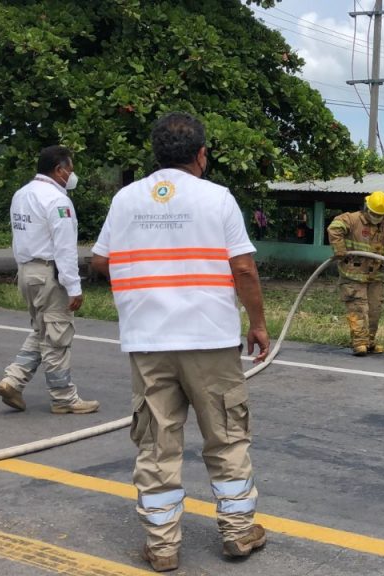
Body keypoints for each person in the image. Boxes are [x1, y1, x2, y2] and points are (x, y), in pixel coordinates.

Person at [91, 112, 270, 572]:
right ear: (201, 155)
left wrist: (148, 285)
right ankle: (237, 533)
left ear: (156, 155)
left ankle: (162, 546)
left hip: (148, 342)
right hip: (209, 340)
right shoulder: (218, 199)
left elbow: (99, 262)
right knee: (227, 437)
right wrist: (258, 324)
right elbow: (244, 268)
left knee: (156, 444)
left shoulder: (126, 199)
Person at [0, 146, 99, 415]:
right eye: (70, 170)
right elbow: (64, 248)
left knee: (43, 330)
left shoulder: (22, 194)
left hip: (27, 272)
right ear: (59, 170)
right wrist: (73, 287)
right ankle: (64, 398)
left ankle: (13, 380)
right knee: (57, 338)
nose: (71, 175)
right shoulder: (57, 201)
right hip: (49, 275)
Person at [326, 190, 384, 356]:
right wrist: (339, 249)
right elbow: (334, 228)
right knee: (358, 309)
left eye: (380, 214)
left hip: (375, 278)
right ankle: (359, 343)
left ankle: (369, 341)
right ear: (366, 208)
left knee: (374, 311)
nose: (376, 217)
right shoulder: (352, 219)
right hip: (353, 276)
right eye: (373, 213)